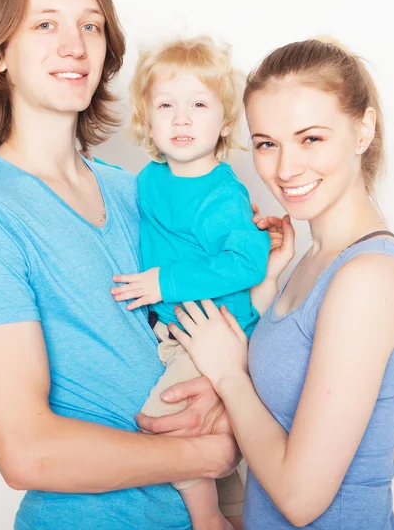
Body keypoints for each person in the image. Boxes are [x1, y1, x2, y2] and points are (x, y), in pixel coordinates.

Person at [0, 0, 238, 530]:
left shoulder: (137, 191)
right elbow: (26, 450)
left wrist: (226, 393)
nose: (75, 45)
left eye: (90, 26)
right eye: (46, 24)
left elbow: (208, 322)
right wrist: (209, 452)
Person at [166, 38, 394, 529]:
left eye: (311, 138)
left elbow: (301, 498)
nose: (285, 169)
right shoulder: (312, 263)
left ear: (363, 130)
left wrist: (229, 377)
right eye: (267, 143)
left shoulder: (368, 279)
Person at [109, 36, 272, 529]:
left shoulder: (224, 192)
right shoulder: (148, 181)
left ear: (224, 123)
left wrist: (165, 282)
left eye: (199, 104)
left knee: (168, 423)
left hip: (213, 332)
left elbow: (248, 262)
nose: (181, 119)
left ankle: (208, 521)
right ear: (147, 120)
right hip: (174, 330)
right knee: (201, 428)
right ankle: (237, 515)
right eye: (166, 105)